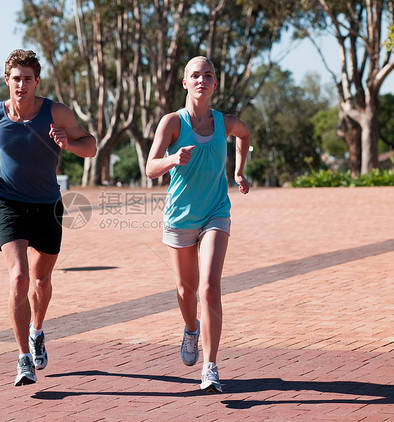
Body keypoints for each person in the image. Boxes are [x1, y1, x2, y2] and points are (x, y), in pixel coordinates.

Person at [0, 49, 96, 386]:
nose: (22, 84)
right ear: (7, 81)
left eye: (28, 79)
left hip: (47, 205)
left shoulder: (55, 112)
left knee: (41, 281)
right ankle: (23, 359)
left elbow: (91, 145)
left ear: (36, 82)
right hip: (10, 203)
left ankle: (37, 331)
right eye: (16, 78)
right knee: (19, 279)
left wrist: (67, 144)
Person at [145, 56, 250, 393]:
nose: (202, 80)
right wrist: (172, 159)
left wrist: (238, 171)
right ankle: (191, 329)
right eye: (195, 75)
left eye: (208, 75)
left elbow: (244, 135)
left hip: (216, 212)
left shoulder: (225, 122)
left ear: (215, 84)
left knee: (209, 286)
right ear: (185, 83)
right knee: (185, 291)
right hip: (180, 217)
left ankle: (210, 366)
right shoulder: (172, 123)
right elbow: (150, 168)